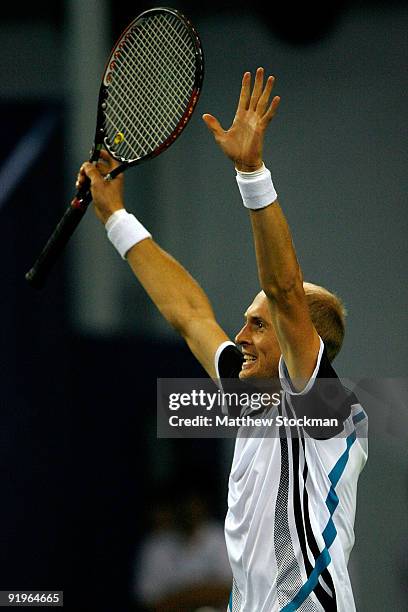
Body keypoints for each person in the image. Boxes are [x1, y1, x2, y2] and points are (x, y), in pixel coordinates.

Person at [77, 68, 368, 611]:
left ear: (296, 336)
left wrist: (252, 172)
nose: (241, 336)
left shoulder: (330, 411)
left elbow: (283, 291)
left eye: (258, 324)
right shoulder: (250, 397)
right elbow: (188, 314)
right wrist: (117, 217)